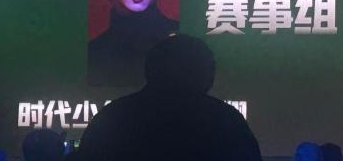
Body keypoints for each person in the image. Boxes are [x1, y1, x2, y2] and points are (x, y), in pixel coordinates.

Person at [76, 34, 262, 160]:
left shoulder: (113, 117)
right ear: (204, 74)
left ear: (149, 70)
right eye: (209, 68)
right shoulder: (225, 121)